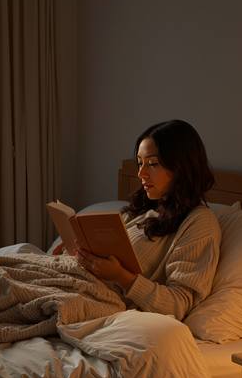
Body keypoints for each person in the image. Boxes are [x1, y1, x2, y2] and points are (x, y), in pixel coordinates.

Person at [53, 119, 221, 321]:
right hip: (71, 281)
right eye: (140, 163)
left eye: (152, 164)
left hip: (93, 299)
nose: (141, 174)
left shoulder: (199, 223)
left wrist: (120, 276)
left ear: (182, 166)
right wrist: (75, 252)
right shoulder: (142, 209)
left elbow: (178, 304)